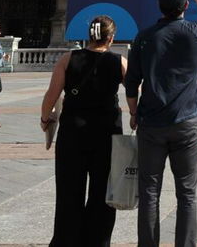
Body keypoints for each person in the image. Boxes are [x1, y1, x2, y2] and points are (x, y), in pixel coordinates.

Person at [125, 0, 197, 247]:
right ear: (185, 5)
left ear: (159, 6)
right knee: (187, 193)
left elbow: (131, 82)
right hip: (186, 124)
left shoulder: (143, 37)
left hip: (151, 124)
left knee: (148, 192)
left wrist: (133, 112)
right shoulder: (195, 31)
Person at [40, 15, 127, 247]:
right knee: (102, 192)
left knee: (69, 190)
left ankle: (66, 241)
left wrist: (45, 117)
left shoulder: (68, 59)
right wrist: (137, 116)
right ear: (111, 38)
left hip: (73, 132)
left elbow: (52, 94)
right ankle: (98, 241)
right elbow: (135, 93)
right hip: (107, 133)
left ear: (89, 35)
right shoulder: (119, 62)